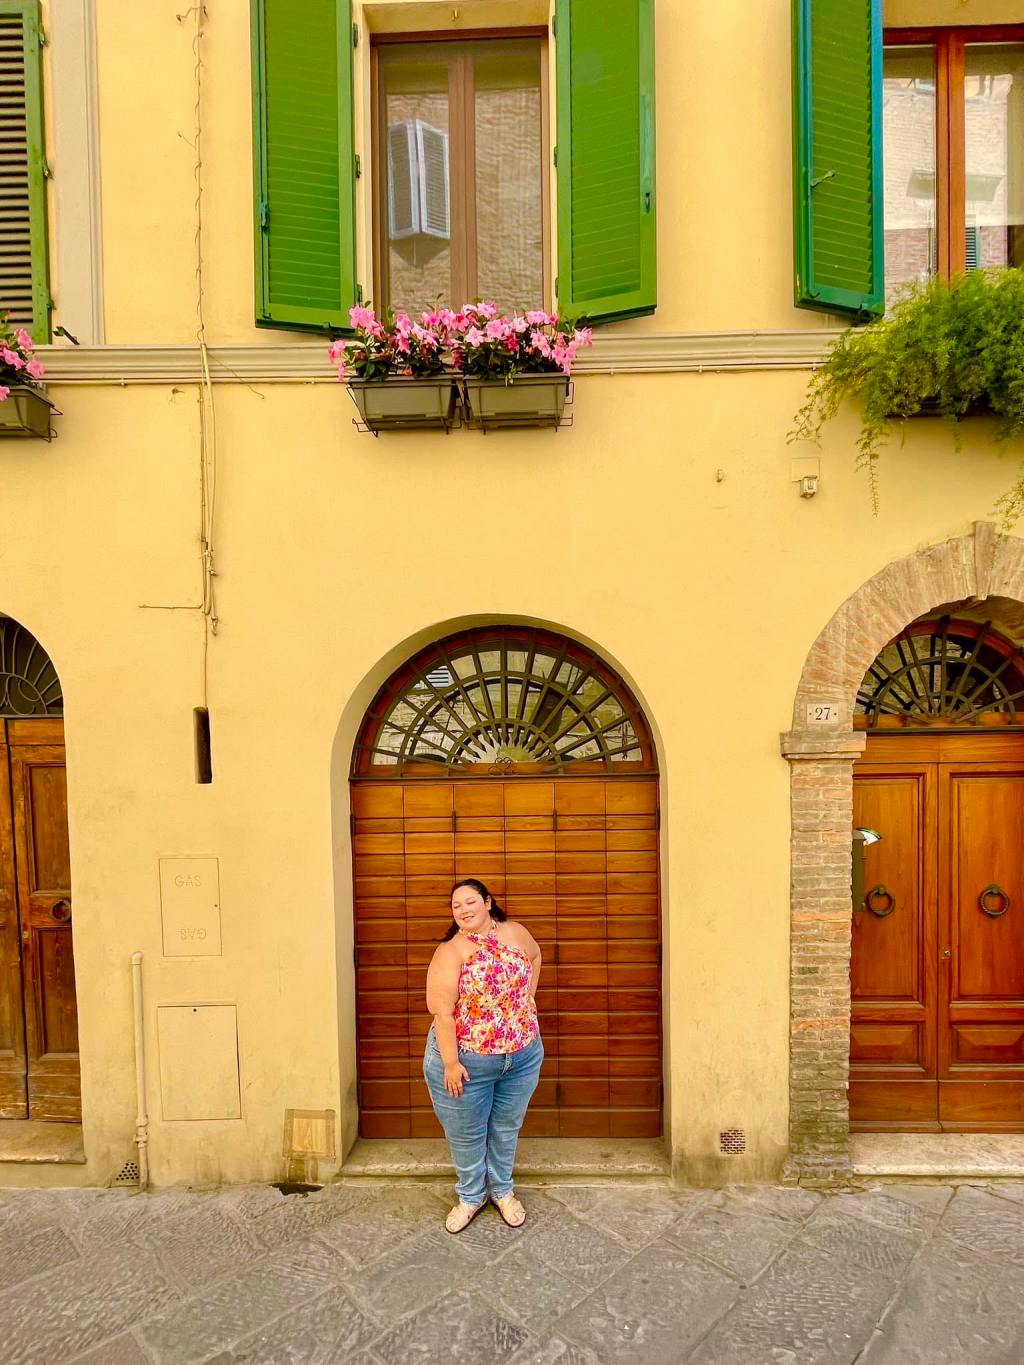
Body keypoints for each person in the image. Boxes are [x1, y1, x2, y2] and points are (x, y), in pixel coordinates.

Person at [423, 877, 543, 1233]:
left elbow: (534, 956)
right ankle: (471, 1196)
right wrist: (450, 1063)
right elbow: (442, 1011)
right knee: (467, 1134)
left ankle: (502, 1191)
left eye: (470, 902)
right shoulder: (451, 951)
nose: (463, 910)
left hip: (521, 1055)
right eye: (456, 906)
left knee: (506, 1127)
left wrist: (528, 998)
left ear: (488, 902)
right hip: (467, 1061)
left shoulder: (515, 933)